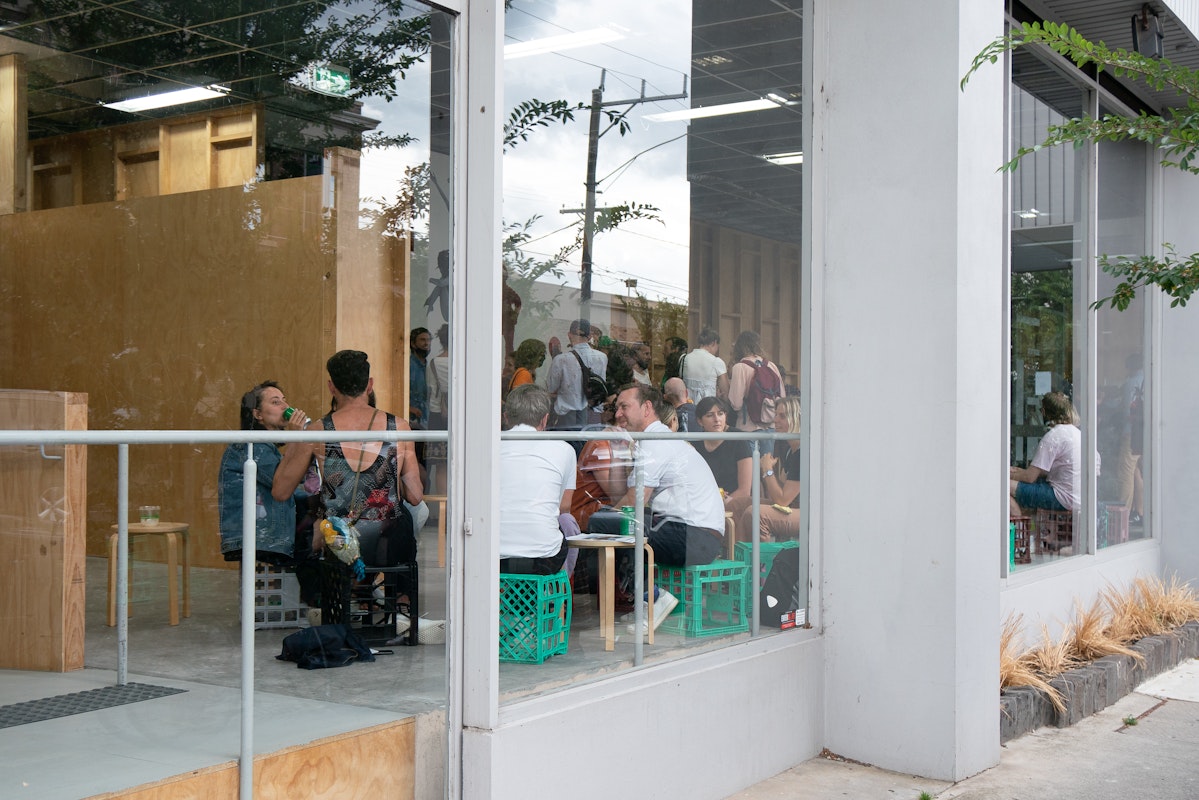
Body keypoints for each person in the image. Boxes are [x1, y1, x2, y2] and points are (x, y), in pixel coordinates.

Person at [274, 350, 425, 580]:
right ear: (370, 385)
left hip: (338, 541)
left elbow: (280, 491)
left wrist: (297, 439)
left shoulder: (318, 431)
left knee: (309, 522)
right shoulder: (399, 427)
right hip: (387, 544)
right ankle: (402, 601)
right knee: (403, 517)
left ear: (331, 387)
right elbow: (415, 496)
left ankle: (327, 599)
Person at [218, 381, 312, 564]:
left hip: (265, 539)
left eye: (285, 401)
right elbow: (282, 484)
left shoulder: (267, 448)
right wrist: (295, 437)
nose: (286, 407)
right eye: (276, 402)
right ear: (258, 414)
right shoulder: (251, 445)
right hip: (261, 538)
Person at [499, 384, 581, 574]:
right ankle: (556, 595)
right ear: (545, 420)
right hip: (543, 557)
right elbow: (564, 507)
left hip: (491, 556)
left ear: (506, 418)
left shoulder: (488, 445)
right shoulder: (564, 450)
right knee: (566, 522)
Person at [738, 395, 802, 542]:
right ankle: (739, 561)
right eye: (776, 415)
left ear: (797, 419)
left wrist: (767, 471)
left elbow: (782, 500)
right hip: (792, 508)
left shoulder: (803, 453)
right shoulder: (788, 449)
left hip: (809, 514)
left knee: (755, 513)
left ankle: (765, 563)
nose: (775, 420)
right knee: (739, 505)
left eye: (783, 416)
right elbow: (778, 496)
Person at [1009, 391, 1084, 517]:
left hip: (1061, 498)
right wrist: (1017, 471)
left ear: (1044, 411)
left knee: (1001, 485)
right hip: (1080, 498)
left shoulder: (1053, 436)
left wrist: (1008, 474)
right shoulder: (1078, 434)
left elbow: (1029, 477)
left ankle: (1019, 526)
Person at [546, 318, 608, 431]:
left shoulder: (561, 360)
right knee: (590, 448)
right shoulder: (602, 357)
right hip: (593, 417)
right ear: (589, 337)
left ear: (569, 335)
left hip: (567, 419)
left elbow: (551, 387)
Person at [692, 396, 753, 503]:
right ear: (700, 421)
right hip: (704, 500)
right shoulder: (696, 443)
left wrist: (718, 502)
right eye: (710, 415)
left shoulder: (738, 439)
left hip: (733, 502)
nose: (716, 419)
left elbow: (744, 491)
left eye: (720, 414)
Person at [727, 329, 785, 435]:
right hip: (770, 425)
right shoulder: (771, 365)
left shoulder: (740, 367)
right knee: (768, 453)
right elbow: (782, 396)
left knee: (748, 452)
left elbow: (736, 404)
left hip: (748, 426)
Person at [681, 326, 729, 402]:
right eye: (717, 347)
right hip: (708, 406)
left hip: (688, 404)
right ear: (714, 343)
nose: (717, 350)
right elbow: (725, 391)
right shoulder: (717, 361)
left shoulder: (685, 358)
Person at [426, 324, 450, 431]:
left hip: (437, 411)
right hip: (461, 412)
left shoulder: (433, 363)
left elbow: (431, 388)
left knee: (437, 446)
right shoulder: (463, 363)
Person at [408, 327, 431, 427]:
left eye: (428, 340)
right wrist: (409, 408)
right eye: (422, 340)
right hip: (411, 420)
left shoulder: (428, 366)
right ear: (413, 344)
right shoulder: (408, 365)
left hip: (425, 420)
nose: (426, 343)